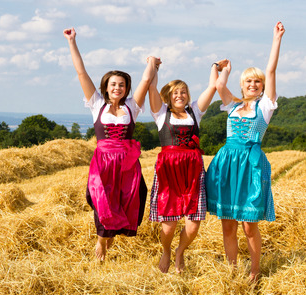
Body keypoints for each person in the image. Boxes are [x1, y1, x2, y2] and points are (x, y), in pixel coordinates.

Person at [63, 27, 161, 261]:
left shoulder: (132, 107)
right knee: (102, 200)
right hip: (103, 162)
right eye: (113, 84)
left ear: (126, 88)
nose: (117, 88)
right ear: (106, 87)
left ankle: (108, 239)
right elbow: (81, 73)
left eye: (122, 85)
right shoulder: (97, 105)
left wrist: (152, 62)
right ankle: (101, 243)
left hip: (127, 162)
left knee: (131, 197)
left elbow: (147, 80)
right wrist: (71, 41)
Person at [205, 21, 285, 281]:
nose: (253, 84)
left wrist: (276, 39)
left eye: (257, 81)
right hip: (227, 163)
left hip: (250, 165)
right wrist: (222, 69)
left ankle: (254, 270)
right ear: (243, 85)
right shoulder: (232, 105)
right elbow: (218, 86)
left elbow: (271, 70)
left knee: (249, 225)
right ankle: (232, 271)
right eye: (249, 80)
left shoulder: (265, 107)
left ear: (262, 86)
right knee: (227, 223)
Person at [148, 59, 228, 273]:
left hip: (193, 172)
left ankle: (179, 251)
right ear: (169, 96)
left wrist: (215, 67)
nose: (179, 95)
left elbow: (212, 87)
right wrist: (154, 67)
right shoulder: (160, 113)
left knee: (193, 225)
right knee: (169, 224)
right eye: (175, 92)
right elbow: (151, 86)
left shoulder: (195, 112)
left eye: (183, 92)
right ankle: (166, 250)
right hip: (168, 172)